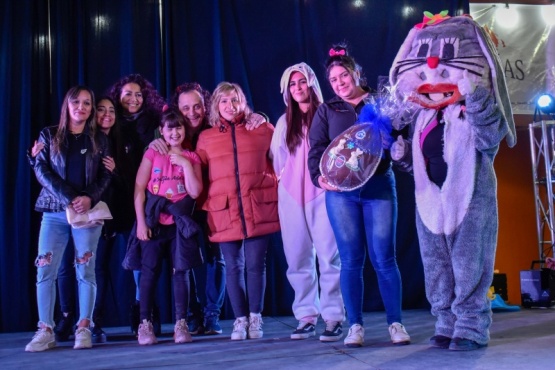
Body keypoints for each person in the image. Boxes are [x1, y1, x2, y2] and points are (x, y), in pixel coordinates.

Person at [389, 13, 516, 351]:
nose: (432, 71)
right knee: (436, 267)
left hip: (471, 199)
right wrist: (402, 155)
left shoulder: (474, 109)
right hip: (431, 203)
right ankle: (445, 322)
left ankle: (472, 326)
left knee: (469, 264)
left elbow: (491, 137)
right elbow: (420, 162)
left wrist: (473, 95)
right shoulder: (425, 115)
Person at [307, 44, 411, 348]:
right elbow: (316, 151)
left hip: (379, 187)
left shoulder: (382, 103)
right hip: (341, 195)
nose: (340, 82)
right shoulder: (327, 110)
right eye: (334, 80)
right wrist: (319, 178)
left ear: (356, 73)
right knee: (351, 260)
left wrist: (397, 143)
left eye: (344, 75)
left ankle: (395, 323)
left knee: (385, 259)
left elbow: (400, 138)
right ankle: (355, 326)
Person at [25, 85, 112, 352]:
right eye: (77, 102)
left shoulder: (98, 139)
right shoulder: (49, 135)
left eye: (87, 103)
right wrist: (69, 197)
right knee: (45, 269)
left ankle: (83, 327)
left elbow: (105, 175)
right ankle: (46, 329)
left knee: (85, 270)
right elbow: (41, 169)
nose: (82, 108)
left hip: (86, 213)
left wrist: (89, 198)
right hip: (54, 212)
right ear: (67, 105)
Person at [195, 82, 279, 341]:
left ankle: (255, 318)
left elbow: (281, 161)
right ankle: (239, 320)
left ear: (243, 102)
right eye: (223, 101)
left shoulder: (263, 129)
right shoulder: (206, 137)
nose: (230, 106)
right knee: (233, 266)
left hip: (258, 206)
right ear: (215, 106)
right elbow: (201, 175)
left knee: (256, 266)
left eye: (234, 100)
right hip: (224, 211)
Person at [270, 63, 344, 341]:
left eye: (302, 82)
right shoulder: (283, 123)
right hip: (291, 197)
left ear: (312, 84)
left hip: (323, 194)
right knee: (297, 258)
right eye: (292, 84)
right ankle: (306, 315)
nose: (298, 88)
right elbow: (278, 159)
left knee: (329, 257)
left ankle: (333, 316)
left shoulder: (327, 115)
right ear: (286, 90)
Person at [128, 107, 203, 345]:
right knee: (148, 273)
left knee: (181, 272)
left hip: (179, 224)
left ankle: (181, 323)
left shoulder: (192, 157)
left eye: (179, 127)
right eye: (169, 128)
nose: (174, 132)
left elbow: (195, 191)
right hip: (154, 222)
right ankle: (145, 324)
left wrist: (185, 164)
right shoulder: (152, 153)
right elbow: (140, 189)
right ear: (161, 131)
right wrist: (141, 222)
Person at [108, 73, 166, 335]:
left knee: (145, 260)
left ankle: (145, 313)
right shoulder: (109, 122)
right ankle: (96, 321)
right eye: (128, 93)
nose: (134, 99)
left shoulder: (155, 122)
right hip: (116, 199)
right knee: (122, 260)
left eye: (139, 94)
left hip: (147, 200)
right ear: (118, 95)